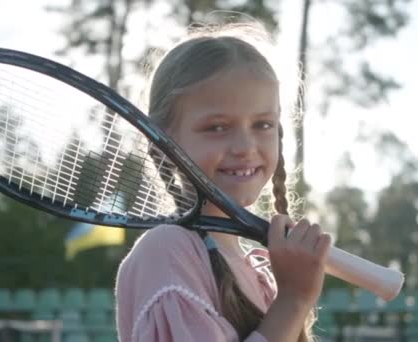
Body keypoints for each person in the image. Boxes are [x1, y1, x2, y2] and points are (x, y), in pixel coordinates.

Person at [115, 22, 332, 342]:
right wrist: (293, 301)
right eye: (217, 127)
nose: (245, 147)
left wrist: (289, 297)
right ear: (164, 146)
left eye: (263, 124)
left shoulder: (259, 275)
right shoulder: (166, 252)